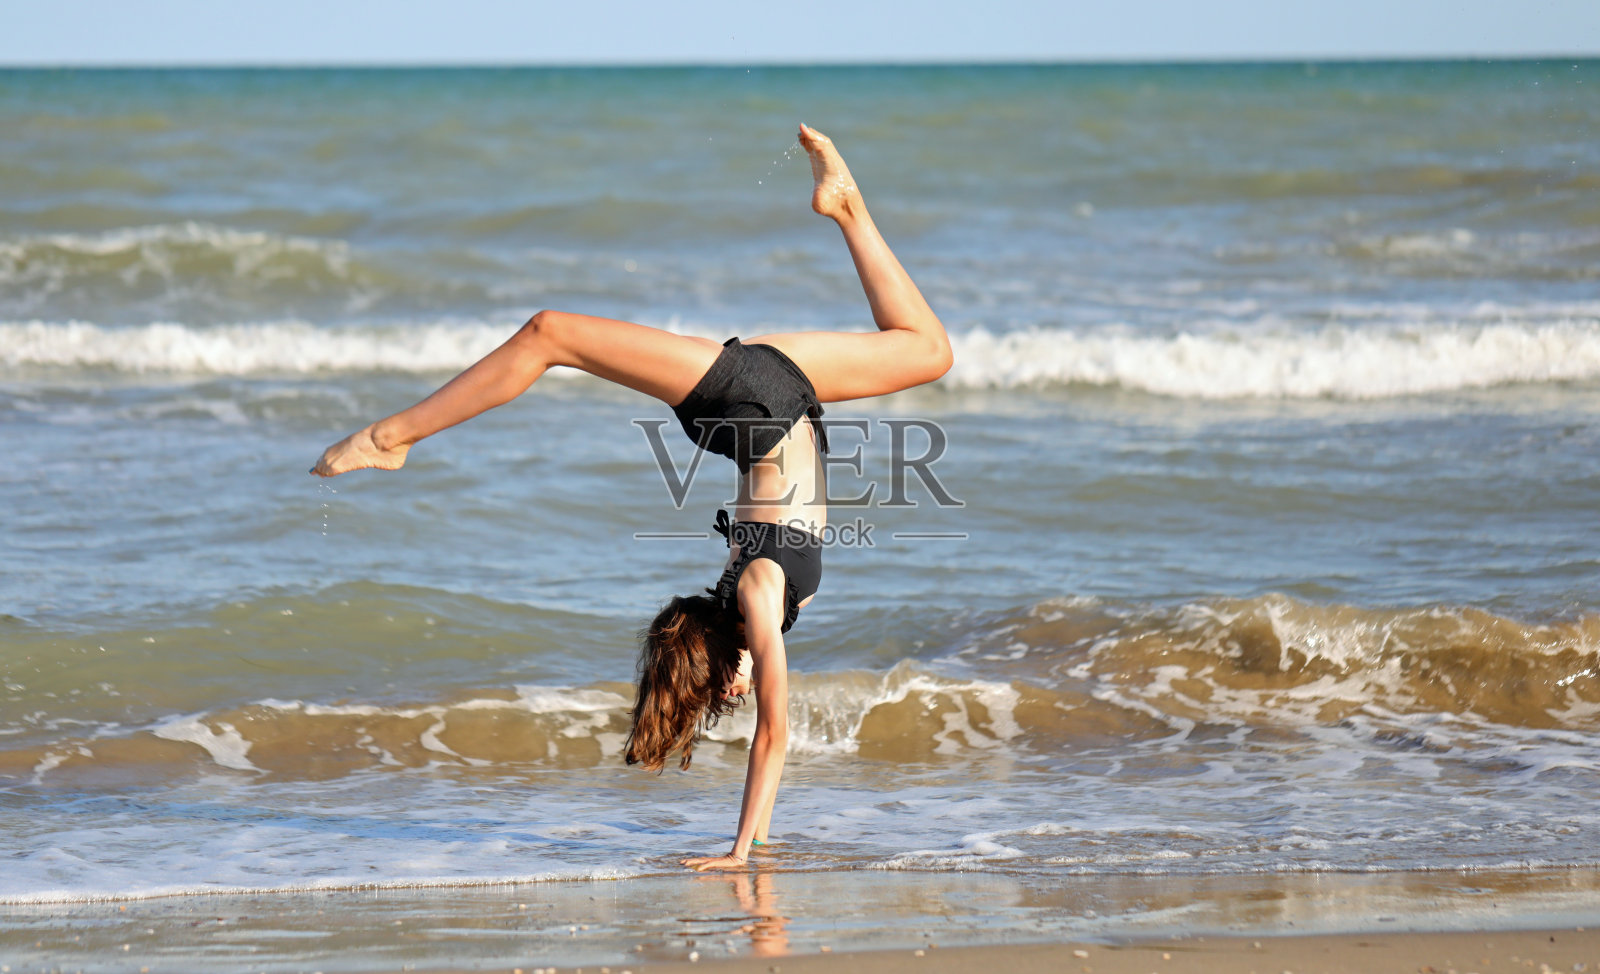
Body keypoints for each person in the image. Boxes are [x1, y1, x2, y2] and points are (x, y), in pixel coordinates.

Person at [312, 123, 952, 871]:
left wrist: (741, 851)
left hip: (762, 407)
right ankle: (845, 207)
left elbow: (777, 730)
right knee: (929, 349)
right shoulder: (752, 595)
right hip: (785, 396)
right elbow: (751, 665)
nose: (740, 694)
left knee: (549, 333)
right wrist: (737, 663)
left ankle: (391, 437)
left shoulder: (757, 588)